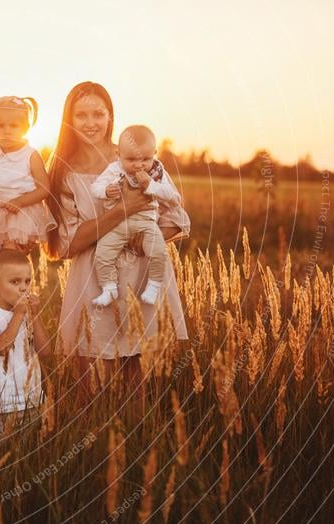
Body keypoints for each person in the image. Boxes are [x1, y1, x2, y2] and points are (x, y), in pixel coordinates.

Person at [45, 82, 190, 413]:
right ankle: (87, 447)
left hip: (136, 273)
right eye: (80, 114)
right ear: (68, 119)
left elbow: (178, 218)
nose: (91, 122)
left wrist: (144, 238)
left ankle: (132, 443)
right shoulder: (63, 172)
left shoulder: (136, 158)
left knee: (132, 373)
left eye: (98, 113)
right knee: (86, 376)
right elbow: (68, 244)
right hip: (90, 275)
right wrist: (121, 210)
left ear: (111, 116)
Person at [89, 125, 184, 306]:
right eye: (131, 159)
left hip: (146, 222)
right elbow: (95, 187)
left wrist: (151, 185)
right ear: (118, 154)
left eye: (146, 159)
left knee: (158, 253)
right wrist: (107, 191)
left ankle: (153, 287)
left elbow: (174, 198)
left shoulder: (157, 172)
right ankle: (109, 288)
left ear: (155, 153)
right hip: (118, 223)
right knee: (102, 254)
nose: (139, 165)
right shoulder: (114, 170)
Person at [0, 249, 51, 438]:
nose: (23, 288)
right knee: (6, 457)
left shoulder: (28, 314)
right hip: (5, 405)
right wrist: (18, 314)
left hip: (34, 400)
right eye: (15, 282)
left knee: (32, 456)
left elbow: (45, 352)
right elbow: (1, 348)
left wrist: (36, 315)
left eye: (27, 281)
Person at [0, 96, 55, 254]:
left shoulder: (30, 155)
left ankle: (19, 278)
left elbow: (44, 189)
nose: (7, 131)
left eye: (14, 126)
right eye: (1, 125)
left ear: (26, 127)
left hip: (21, 214)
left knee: (13, 255)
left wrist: (20, 202)